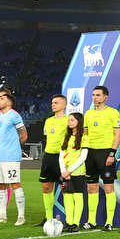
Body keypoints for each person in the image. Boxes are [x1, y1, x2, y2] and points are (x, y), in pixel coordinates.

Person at [83, 85, 120, 231]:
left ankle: (109, 222)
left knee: (108, 187)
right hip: (90, 153)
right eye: (93, 95)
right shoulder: (88, 114)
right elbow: (85, 134)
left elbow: (118, 135)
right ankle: (91, 221)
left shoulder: (113, 113)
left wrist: (112, 153)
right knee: (91, 187)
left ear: (106, 97)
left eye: (98, 95)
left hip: (106, 153)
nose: (95, 98)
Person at [0, 89, 27, 226]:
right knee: (0, 185)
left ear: (9, 101)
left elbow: (24, 135)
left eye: (1, 97)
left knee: (15, 183)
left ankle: (21, 216)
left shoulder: (14, 115)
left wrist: (14, 147)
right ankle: (2, 216)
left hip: (11, 156)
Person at [36, 95, 68, 227]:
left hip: (62, 157)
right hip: (48, 157)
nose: (53, 105)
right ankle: (48, 218)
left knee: (66, 188)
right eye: (52, 103)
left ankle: (69, 219)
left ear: (64, 105)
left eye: (56, 103)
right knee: (46, 187)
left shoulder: (68, 121)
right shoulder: (48, 121)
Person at [60, 112, 88, 233]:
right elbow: (61, 155)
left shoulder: (84, 137)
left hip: (78, 172)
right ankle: (69, 222)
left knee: (77, 196)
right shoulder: (66, 136)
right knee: (67, 197)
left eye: (72, 120)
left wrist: (69, 171)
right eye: (69, 120)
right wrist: (63, 171)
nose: (69, 122)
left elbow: (83, 157)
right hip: (65, 173)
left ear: (79, 122)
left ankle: (76, 223)